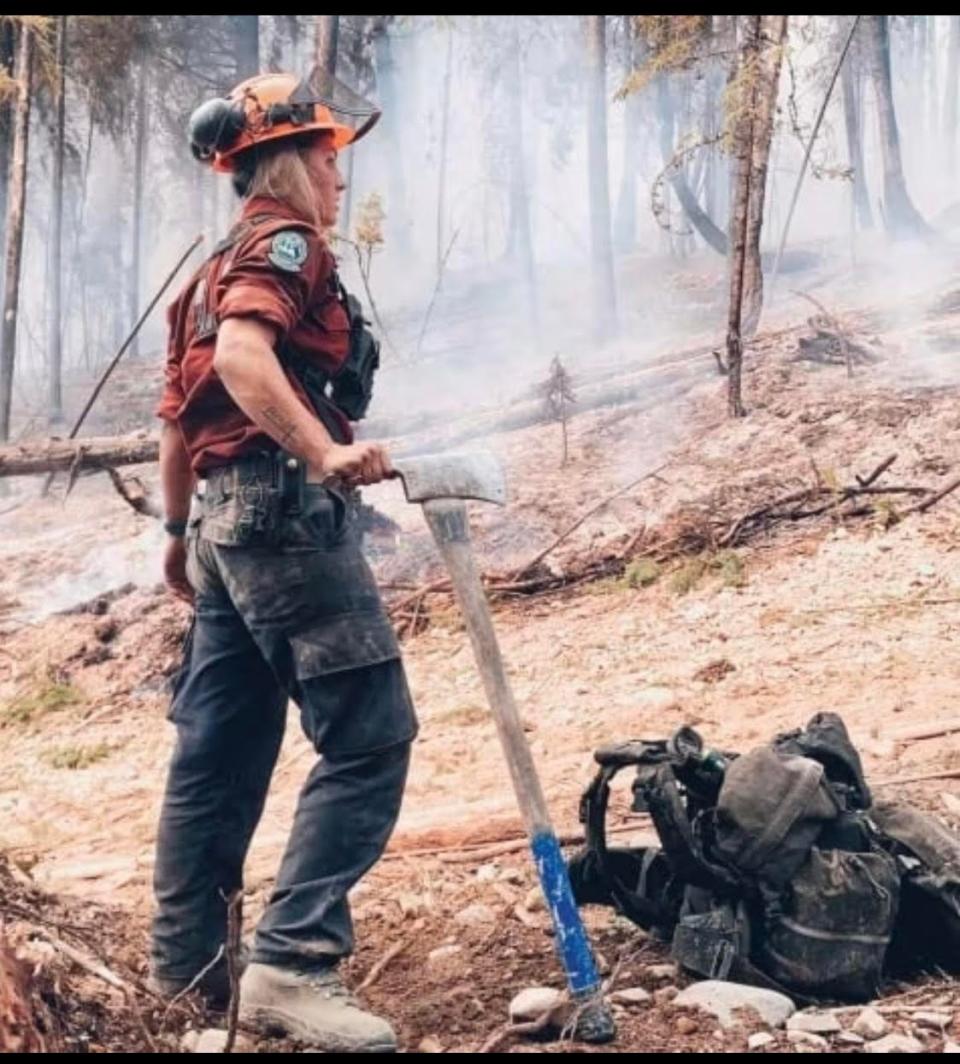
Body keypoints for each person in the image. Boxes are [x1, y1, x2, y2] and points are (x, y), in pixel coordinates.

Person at [149, 69, 416, 1053]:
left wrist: (180, 539)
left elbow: (177, 429)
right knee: (370, 734)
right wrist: (327, 452)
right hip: (285, 516)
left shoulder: (202, 278)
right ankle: (293, 963)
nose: (336, 171)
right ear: (280, 161)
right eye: (324, 153)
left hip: (225, 528)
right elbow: (241, 363)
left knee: (217, 752)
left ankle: (186, 970)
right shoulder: (283, 243)